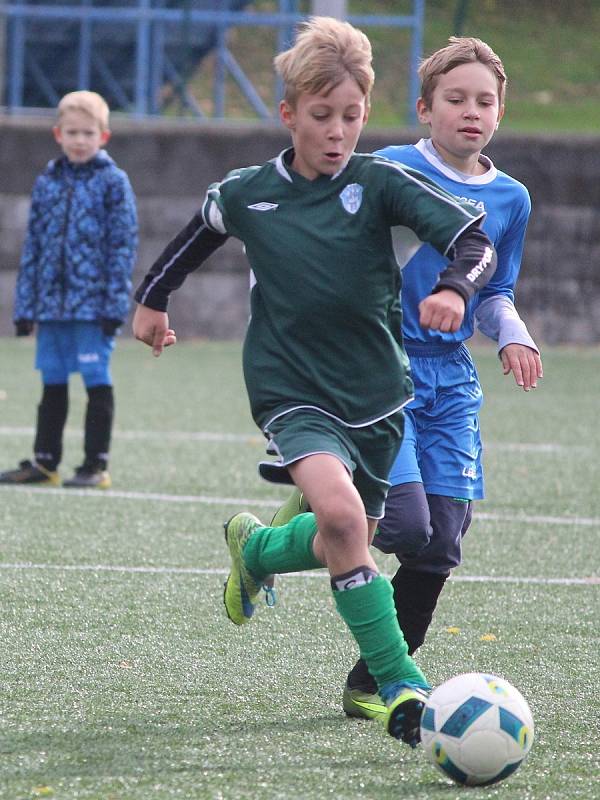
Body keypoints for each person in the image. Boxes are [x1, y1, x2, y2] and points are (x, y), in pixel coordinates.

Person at [132, 17, 497, 747]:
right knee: (342, 518)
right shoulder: (251, 192)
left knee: (344, 530)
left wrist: (456, 288)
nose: (338, 132)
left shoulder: (379, 181)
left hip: (378, 395)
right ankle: (400, 686)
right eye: (322, 116)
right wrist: (152, 300)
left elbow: (473, 239)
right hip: (291, 388)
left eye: (353, 117)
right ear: (289, 113)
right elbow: (196, 231)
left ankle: (259, 550)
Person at [335, 36, 543, 719]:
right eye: (455, 99)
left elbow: (496, 290)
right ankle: (307, 512)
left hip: (450, 378)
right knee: (402, 526)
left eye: (485, 101)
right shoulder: (390, 168)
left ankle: (373, 682)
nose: (471, 112)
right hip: (381, 367)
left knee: (441, 540)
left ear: (501, 113)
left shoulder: (511, 198)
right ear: (425, 109)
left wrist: (512, 334)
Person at [0, 90, 138, 489]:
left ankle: (95, 464)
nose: (80, 140)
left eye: (88, 133)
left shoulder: (113, 183)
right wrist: (26, 306)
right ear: (58, 134)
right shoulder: (47, 181)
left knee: (96, 376)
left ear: (104, 137)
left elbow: (122, 245)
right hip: (51, 307)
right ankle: (45, 462)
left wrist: (115, 304)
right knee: (53, 378)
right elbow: (34, 247)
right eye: (72, 132)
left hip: (92, 308)